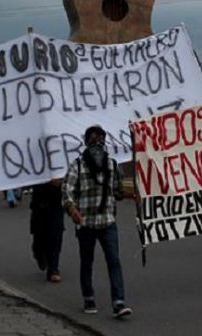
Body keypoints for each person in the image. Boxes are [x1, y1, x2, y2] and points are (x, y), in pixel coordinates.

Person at [62, 125, 132, 318]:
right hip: (85, 224)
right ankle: (88, 297)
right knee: (87, 261)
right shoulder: (77, 165)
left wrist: (133, 194)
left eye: (101, 139)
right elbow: (66, 190)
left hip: (107, 222)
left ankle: (118, 302)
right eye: (93, 139)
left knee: (114, 261)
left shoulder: (112, 165)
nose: (97, 142)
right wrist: (72, 209)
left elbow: (118, 191)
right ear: (86, 142)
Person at [30, 179, 65, 282]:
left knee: (55, 236)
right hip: (39, 203)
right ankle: (39, 254)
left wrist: (61, 182)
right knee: (39, 236)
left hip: (56, 203)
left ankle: (53, 269)